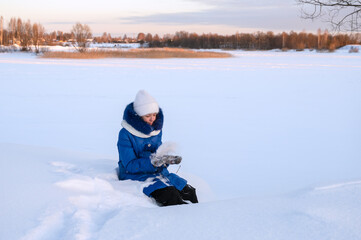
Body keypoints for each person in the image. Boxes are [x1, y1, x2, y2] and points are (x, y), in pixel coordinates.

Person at [117, 90, 198, 206]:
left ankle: (200, 219)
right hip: (135, 176)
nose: (152, 119)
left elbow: (158, 152)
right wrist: (153, 162)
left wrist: (166, 160)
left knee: (188, 192)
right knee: (171, 195)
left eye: (154, 115)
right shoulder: (125, 134)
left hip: (158, 172)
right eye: (147, 116)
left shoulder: (155, 131)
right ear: (138, 116)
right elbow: (129, 165)